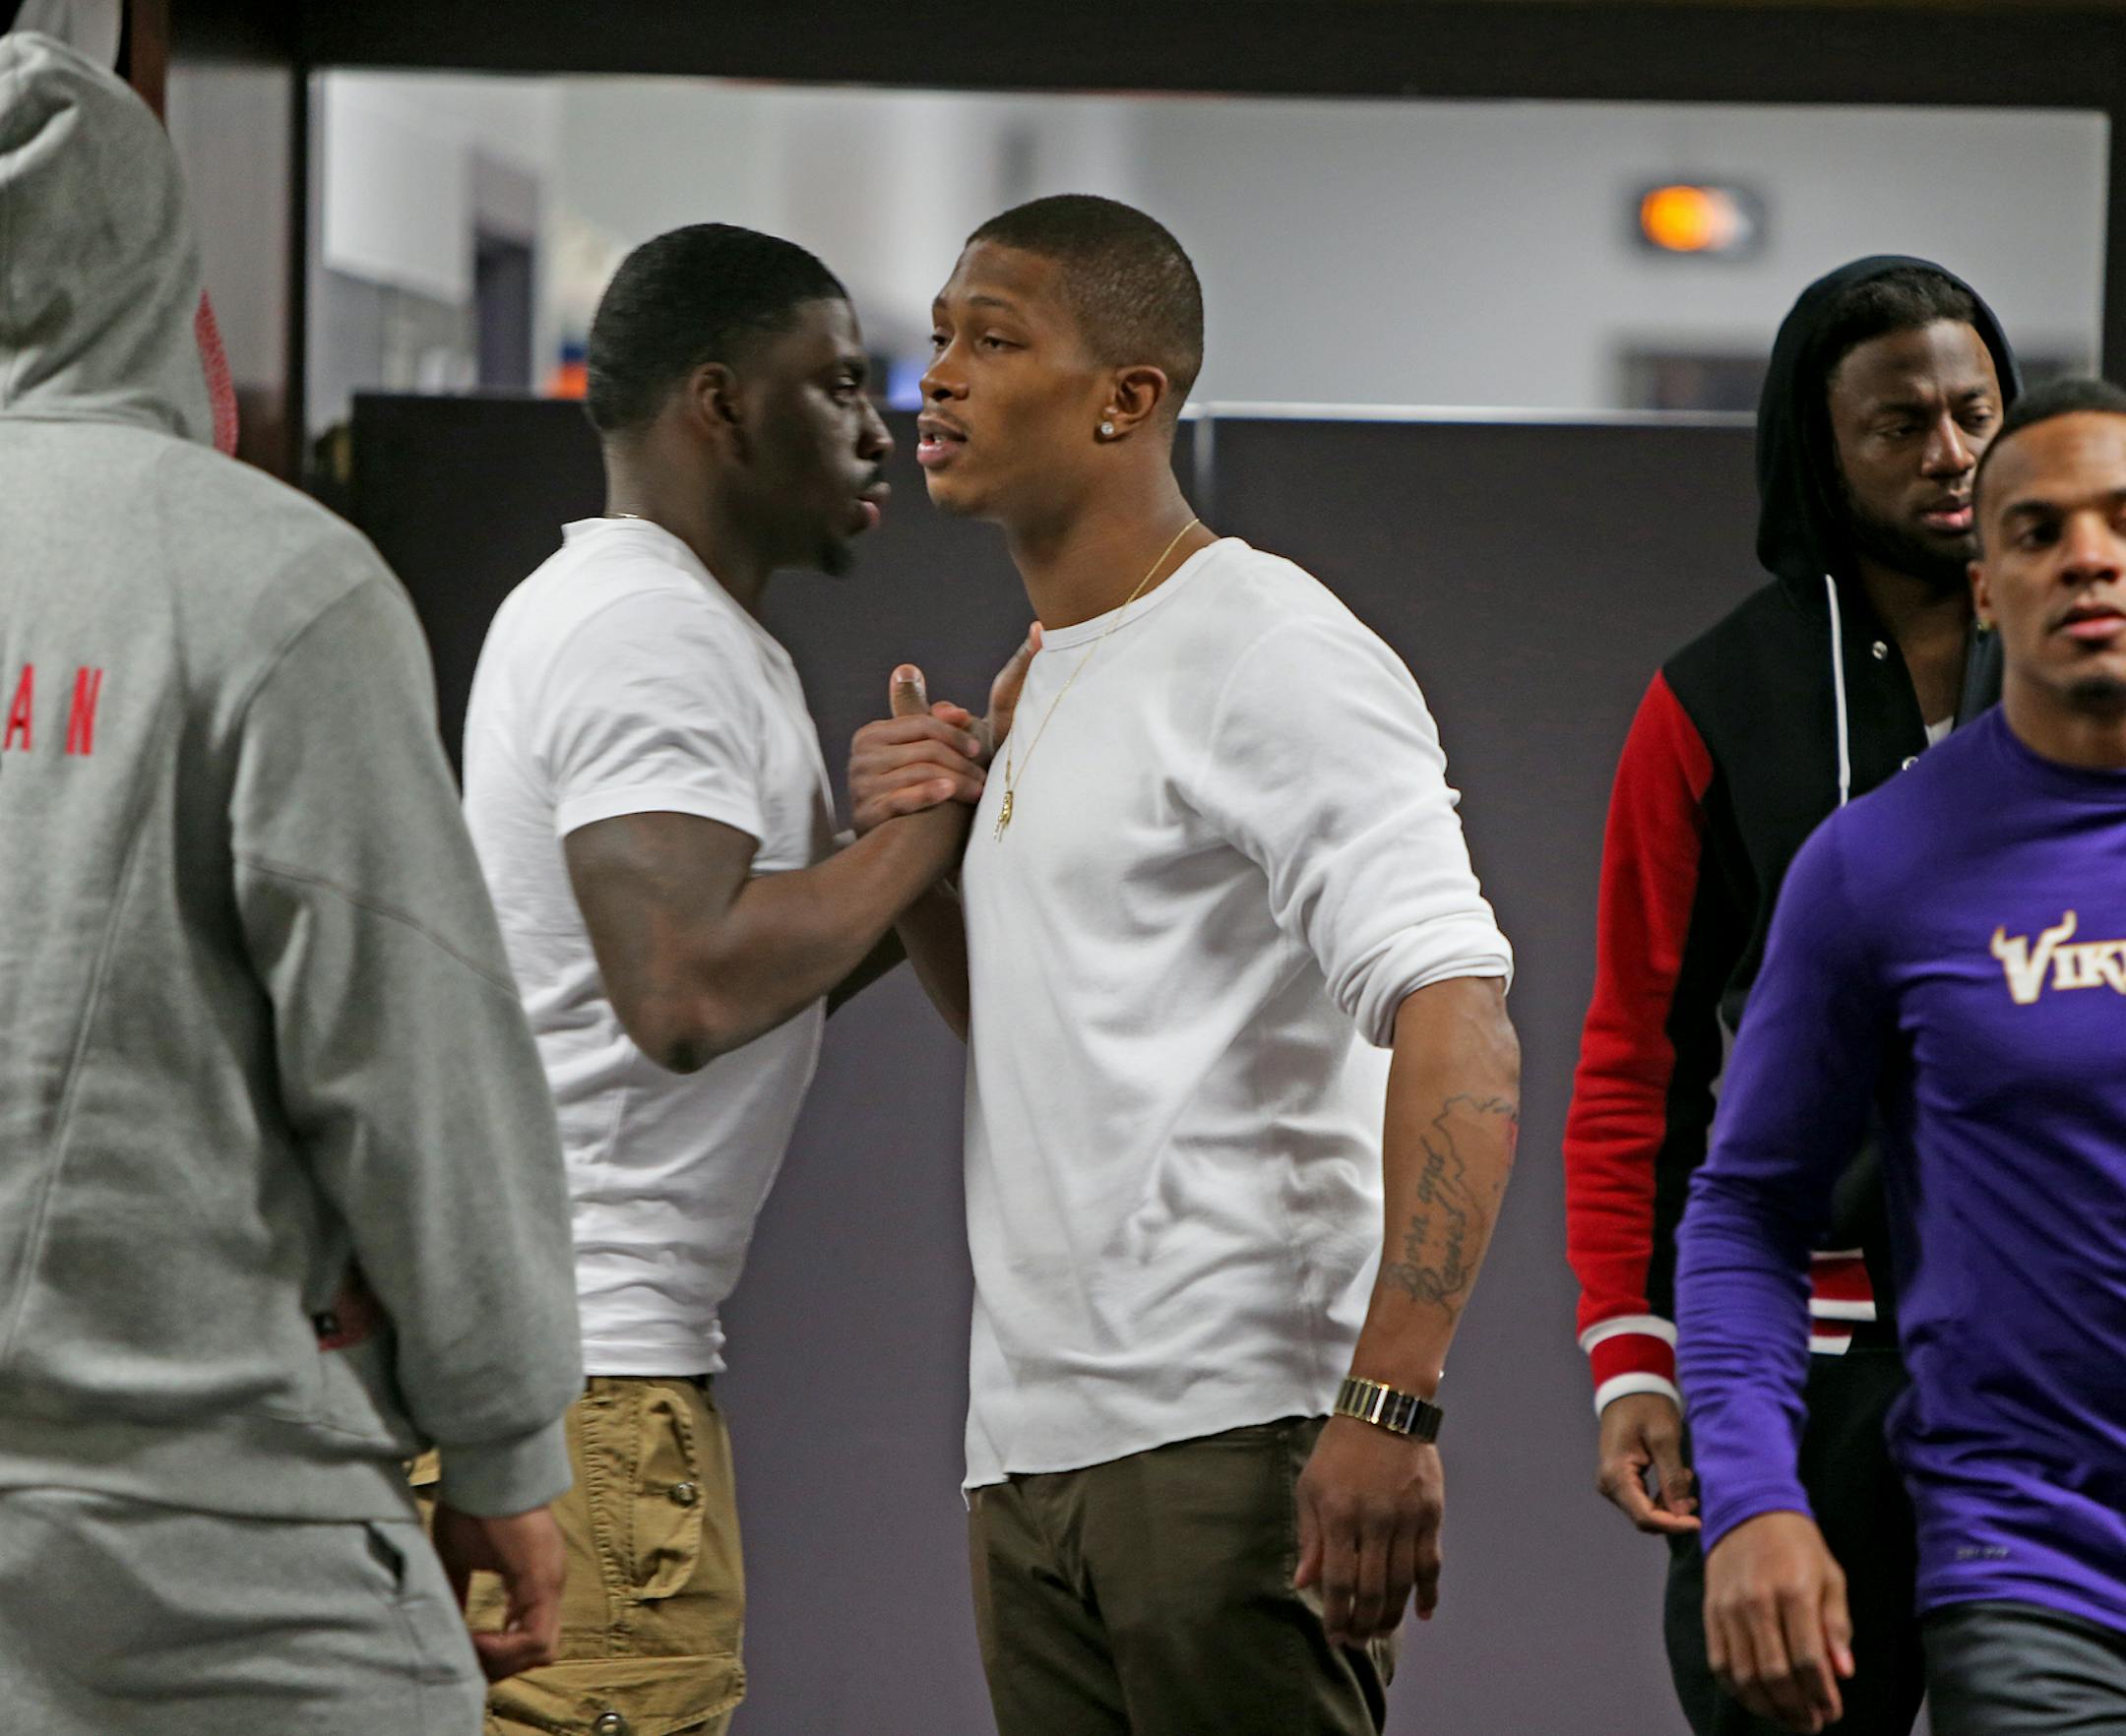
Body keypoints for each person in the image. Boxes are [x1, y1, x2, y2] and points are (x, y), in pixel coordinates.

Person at [845, 193, 1520, 1736]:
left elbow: (1461, 1022)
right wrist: (924, 860)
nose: (937, 377)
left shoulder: (1265, 646)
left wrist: (1388, 1400)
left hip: (1232, 1436)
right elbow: (1040, 1027)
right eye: (938, 337)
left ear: (1127, 399)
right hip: (1028, 1454)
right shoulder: (1044, 678)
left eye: (994, 340)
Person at [0, 31, 582, 1735]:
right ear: (154, 268)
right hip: (217, 1553)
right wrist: (503, 1439)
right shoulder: (268, 588)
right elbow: (410, 1058)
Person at [456, 222, 1001, 1736]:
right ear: (718, 402)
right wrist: (931, 828)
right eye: (835, 385)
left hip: (569, 1386)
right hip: (594, 1403)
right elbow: (685, 991)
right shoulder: (653, 634)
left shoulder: (654, 624)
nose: (879, 424)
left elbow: (732, 989)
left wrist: (891, 860)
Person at [1562, 257, 2018, 1734]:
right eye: (1900, 424)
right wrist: (1631, 1354)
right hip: (1801, 1365)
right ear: (1820, 452)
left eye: (1974, 413)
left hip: (2049, 1342)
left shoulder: (2093, 664)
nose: (1950, 454)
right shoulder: (1713, 700)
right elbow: (1640, 1053)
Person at [1675, 374, 2126, 1735]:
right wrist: (1754, 1498)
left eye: (2121, 520)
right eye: (2038, 532)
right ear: (1985, 587)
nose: (2088, 557)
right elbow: (1748, 1208)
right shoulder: (1879, 865)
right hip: (2033, 1569)